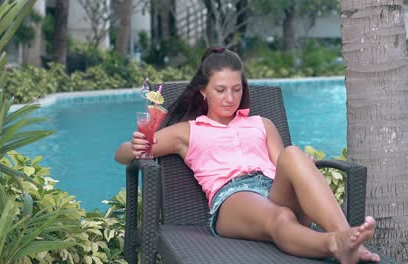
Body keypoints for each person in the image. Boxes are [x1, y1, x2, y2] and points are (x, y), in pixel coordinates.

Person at [115, 46, 380, 264]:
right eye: (220, 90)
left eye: (236, 89)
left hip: (273, 188)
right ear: (203, 92)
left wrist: (303, 166)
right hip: (233, 199)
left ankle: (346, 238)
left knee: (292, 153)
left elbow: (282, 167)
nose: (230, 98)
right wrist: (136, 145)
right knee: (281, 217)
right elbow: (122, 155)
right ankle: (335, 243)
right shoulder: (187, 131)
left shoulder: (261, 123)